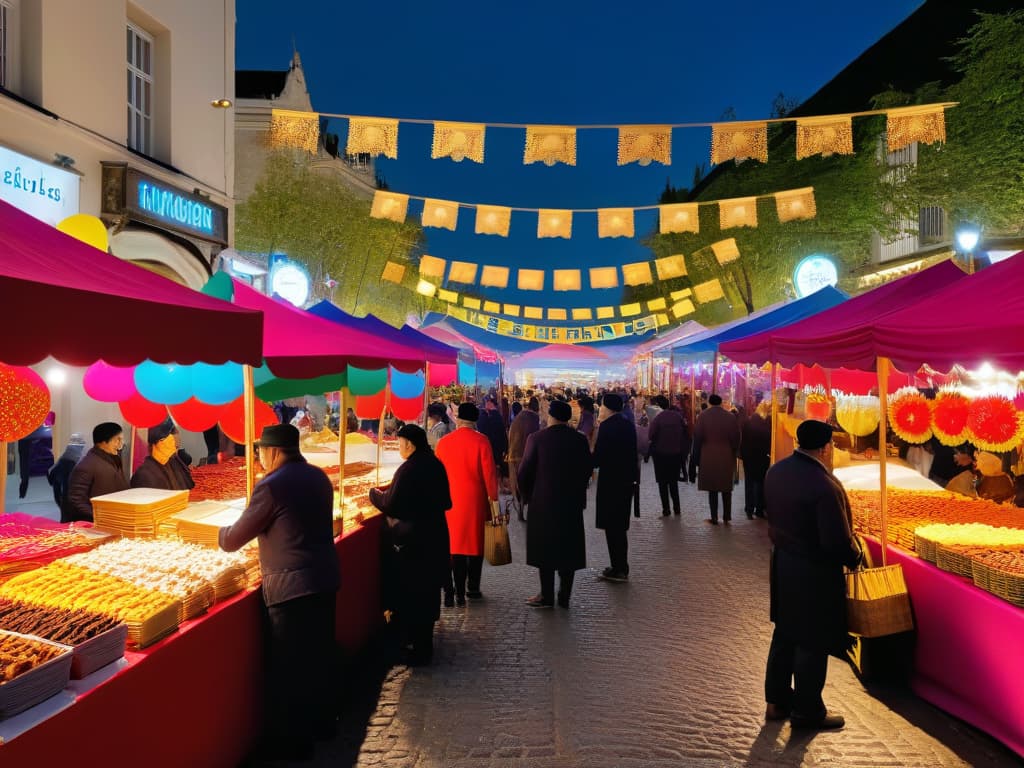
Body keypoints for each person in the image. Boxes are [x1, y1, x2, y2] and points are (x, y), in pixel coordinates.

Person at [218, 424, 339, 760]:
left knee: (291, 667)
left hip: (291, 588)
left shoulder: (270, 486)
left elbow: (233, 540)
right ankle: (324, 725)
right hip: (325, 578)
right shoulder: (318, 477)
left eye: (259, 453)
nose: (258, 460)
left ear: (272, 451)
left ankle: (296, 744)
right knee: (319, 657)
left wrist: (219, 532)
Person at [763, 419, 863, 730]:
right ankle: (807, 710)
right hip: (813, 573)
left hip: (783, 565)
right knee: (811, 640)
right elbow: (834, 541)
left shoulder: (777, 471)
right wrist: (856, 556)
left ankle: (777, 701)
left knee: (785, 633)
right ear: (824, 448)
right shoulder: (823, 485)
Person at [369, 424, 452, 665]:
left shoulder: (408, 470)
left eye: (400, 443)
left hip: (414, 542)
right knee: (428, 593)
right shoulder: (435, 464)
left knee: (413, 593)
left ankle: (418, 650)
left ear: (410, 445)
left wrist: (374, 494)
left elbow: (391, 503)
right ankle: (424, 645)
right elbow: (447, 502)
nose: (399, 447)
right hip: (434, 536)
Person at [517, 400, 592, 608]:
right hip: (571, 503)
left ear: (551, 416)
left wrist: (528, 495)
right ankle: (565, 596)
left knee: (545, 549)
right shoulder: (579, 440)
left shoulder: (537, 438)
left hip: (543, 503)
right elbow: (587, 469)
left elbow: (524, 472)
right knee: (568, 549)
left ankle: (547, 595)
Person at [435, 403, 499, 605]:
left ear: (458, 418)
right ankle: (473, 587)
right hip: (475, 501)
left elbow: (437, 475)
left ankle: (458, 590)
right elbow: (489, 475)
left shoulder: (444, 443)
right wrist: (494, 499)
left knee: (455, 546)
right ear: (475, 420)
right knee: (476, 544)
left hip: (450, 501)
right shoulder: (482, 441)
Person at [592, 393, 638, 582]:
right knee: (619, 526)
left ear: (607, 407)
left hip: (612, 481)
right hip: (626, 480)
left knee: (612, 526)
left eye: (602, 405)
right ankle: (620, 566)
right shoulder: (627, 423)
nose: (600, 409)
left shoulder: (607, 426)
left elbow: (600, 457)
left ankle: (619, 569)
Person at [63, 422, 129, 523]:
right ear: (103, 442)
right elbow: (76, 500)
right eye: (117, 440)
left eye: (121, 439)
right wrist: (100, 517)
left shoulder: (113, 459)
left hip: (115, 520)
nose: (121, 444)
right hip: (96, 524)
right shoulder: (86, 466)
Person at [692, 394, 741, 525]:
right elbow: (736, 437)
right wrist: (734, 450)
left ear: (709, 402)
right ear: (721, 402)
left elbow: (697, 437)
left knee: (712, 488)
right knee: (726, 487)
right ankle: (727, 515)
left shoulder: (703, 416)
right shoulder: (730, 417)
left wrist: (695, 458)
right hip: (726, 455)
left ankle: (714, 516)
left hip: (708, 454)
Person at [646, 395, 688, 517]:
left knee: (663, 483)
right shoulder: (677, 416)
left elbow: (651, 435)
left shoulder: (658, 419)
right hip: (675, 454)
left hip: (660, 455)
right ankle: (677, 508)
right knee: (673, 482)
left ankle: (666, 509)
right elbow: (685, 432)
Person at [130, 418, 195, 491]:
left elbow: (189, 488)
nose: (175, 451)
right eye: (174, 446)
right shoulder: (143, 475)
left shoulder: (174, 462)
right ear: (159, 441)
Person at [507, 396, 542, 522]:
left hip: (514, 455)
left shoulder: (518, 417)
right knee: (530, 484)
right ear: (537, 408)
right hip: (527, 456)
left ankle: (520, 510)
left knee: (518, 483)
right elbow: (535, 436)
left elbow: (510, 434)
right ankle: (529, 512)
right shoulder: (534, 418)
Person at [741, 401, 772, 519]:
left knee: (749, 483)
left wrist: (743, 455)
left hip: (748, 457)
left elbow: (743, 440)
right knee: (760, 482)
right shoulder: (766, 424)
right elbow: (768, 440)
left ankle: (749, 509)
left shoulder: (748, 422)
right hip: (762, 457)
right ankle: (759, 509)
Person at [47, 433, 86, 510]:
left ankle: (65, 509)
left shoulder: (68, 456)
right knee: (64, 493)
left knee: (61, 493)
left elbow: (51, 471)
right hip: (65, 469)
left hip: (63, 469)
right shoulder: (73, 457)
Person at [477, 396, 509, 481]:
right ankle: (500, 484)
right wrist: (506, 447)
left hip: (489, 445)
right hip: (496, 445)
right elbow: (502, 432)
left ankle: (497, 484)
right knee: (497, 464)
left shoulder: (483, 416)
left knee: (493, 465)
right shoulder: (495, 416)